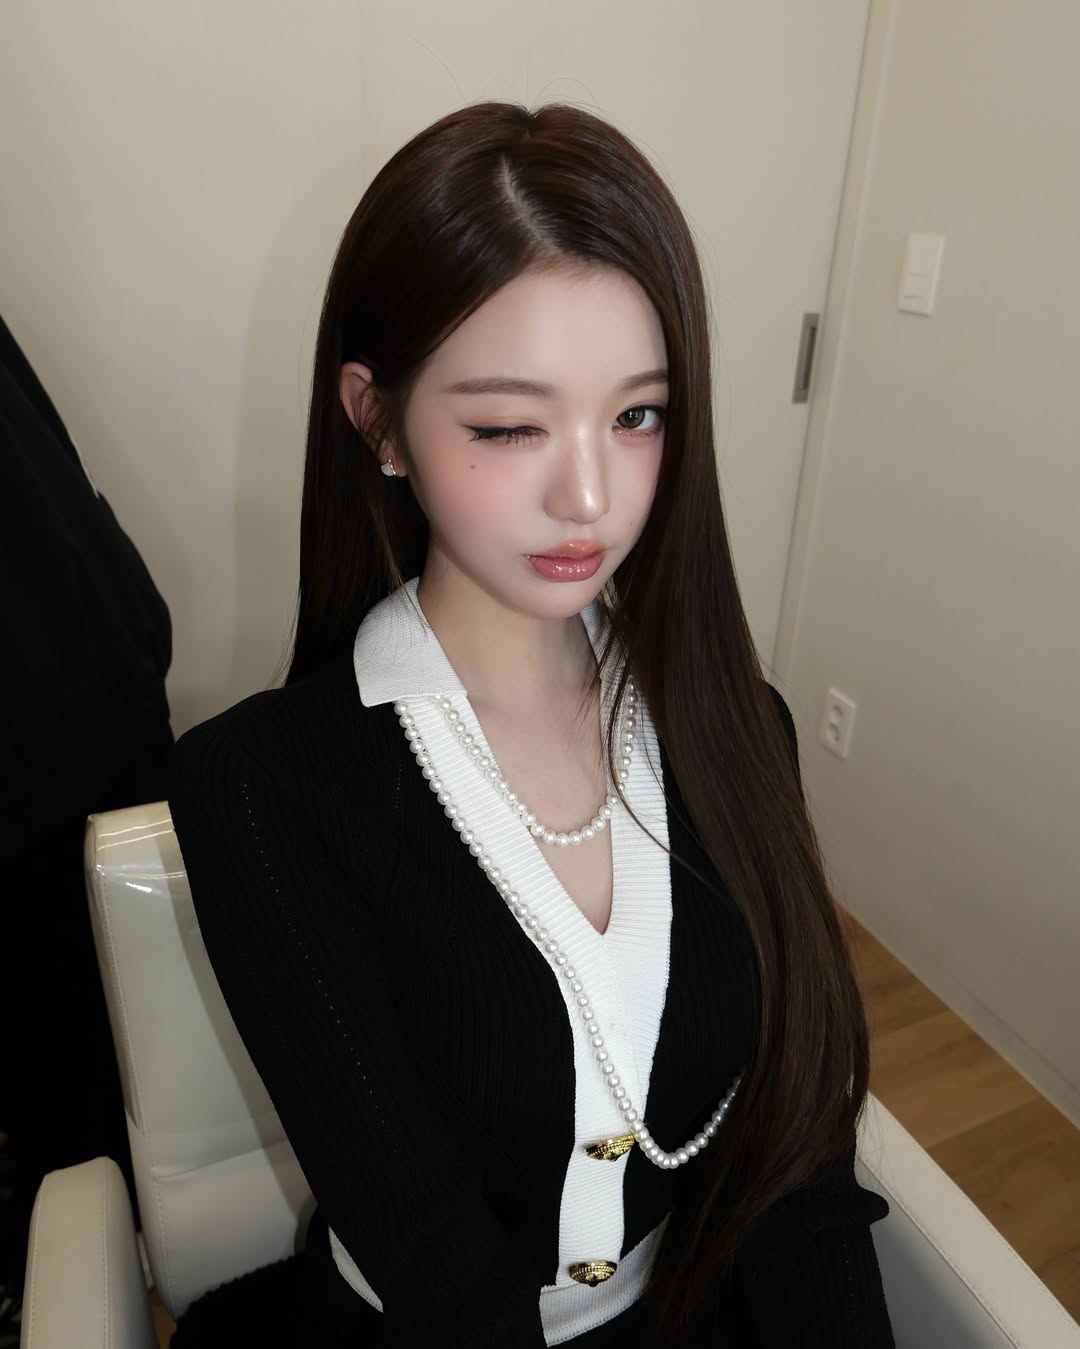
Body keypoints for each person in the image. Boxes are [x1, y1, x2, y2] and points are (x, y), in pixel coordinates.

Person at [166, 101, 895, 1348]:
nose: (590, 495)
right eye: (508, 426)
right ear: (378, 420)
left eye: (639, 415)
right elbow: (437, 1266)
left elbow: (796, 1161)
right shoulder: (264, 789)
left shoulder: (737, 731)